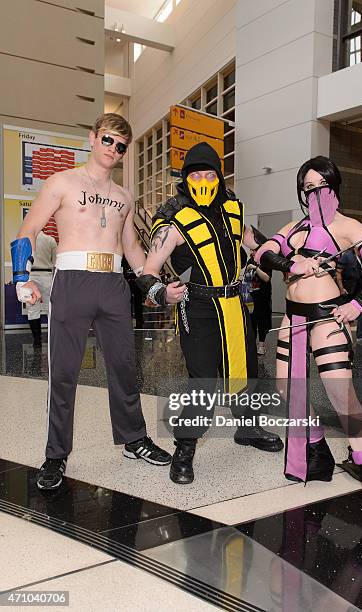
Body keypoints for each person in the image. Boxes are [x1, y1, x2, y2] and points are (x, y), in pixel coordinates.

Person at [11, 113, 171, 490]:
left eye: (121, 146)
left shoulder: (125, 196)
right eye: (108, 140)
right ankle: (55, 455)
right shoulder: (62, 182)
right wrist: (22, 277)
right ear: (93, 138)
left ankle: (134, 440)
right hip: (73, 281)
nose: (113, 149)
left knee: (125, 367)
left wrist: (153, 287)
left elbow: (131, 248)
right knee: (63, 373)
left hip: (113, 283)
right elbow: (28, 230)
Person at [254, 156, 362, 533]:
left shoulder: (347, 225)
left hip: (327, 317)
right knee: (289, 391)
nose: (314, 193)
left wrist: (356, 303)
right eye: (307, 187)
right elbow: (262, 252)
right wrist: (290, 266)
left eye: (321, 186)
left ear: (334, 187)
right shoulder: (295, 226)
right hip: (292, 318)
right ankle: (317, 453)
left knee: (342, 399)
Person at [138, 142, 283, 484]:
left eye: (209, 173)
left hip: (234, 303)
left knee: (246, 372)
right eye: (194, 173)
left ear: (219, 176)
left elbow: (259, 247)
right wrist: (161, 292)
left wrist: (291, 263)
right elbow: (147, 271)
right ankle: (185, 448)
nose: (202, 179)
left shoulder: (234, 210)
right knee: (202, 380)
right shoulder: (173, 219)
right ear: (185, 178)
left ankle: (247, 429)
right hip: (198, 307)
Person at [26, 228, 57, 347]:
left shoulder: (27, 240)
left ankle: (37, 340)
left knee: (32, 308)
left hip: (30, 276)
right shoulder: (50, 240)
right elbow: (55, 262)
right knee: (50, 308)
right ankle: (52, 338)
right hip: (47, 276)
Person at [336, 248, 362, 345]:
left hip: (359, 290)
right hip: (347, 289)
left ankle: (361, 336)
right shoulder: (347, 256)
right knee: (341, 313)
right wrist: (341, 288)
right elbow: (338, 272)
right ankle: (339, 336)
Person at [245, 250, 272, 355]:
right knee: (251, 321)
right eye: (251, 250)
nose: (252, 252)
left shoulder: (266, 261)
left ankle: (261, 345)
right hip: (251, 296)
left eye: (254, 250)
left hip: (263, 296)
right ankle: (251, 345)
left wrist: (256, 268)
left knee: (262, 320)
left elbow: (266, 278)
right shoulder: (250, 260)